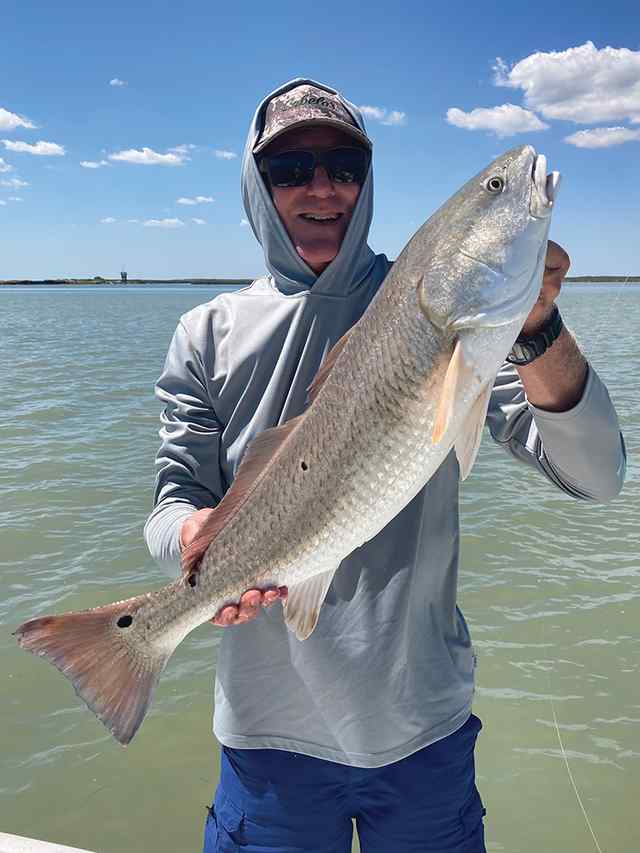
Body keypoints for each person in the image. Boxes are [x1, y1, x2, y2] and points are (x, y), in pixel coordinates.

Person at [144, 79, 626, 853]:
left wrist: (536, 325)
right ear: (256, 184)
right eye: (290, 168)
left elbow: (598, 476)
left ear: (367, 181)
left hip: (423, 731)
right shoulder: (205, 333)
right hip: (267, 743)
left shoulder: (453, 316)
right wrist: (192, 539)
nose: (321, 187)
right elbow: (172, 500)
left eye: (344, 166)